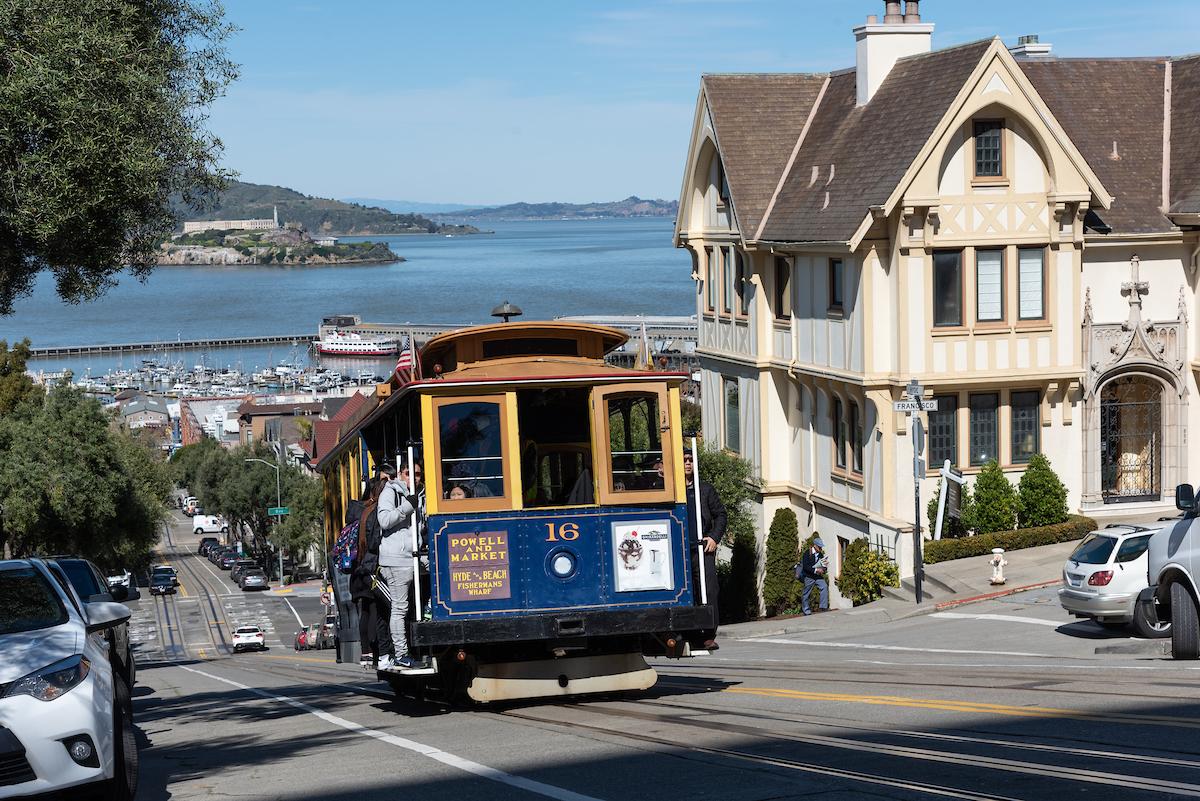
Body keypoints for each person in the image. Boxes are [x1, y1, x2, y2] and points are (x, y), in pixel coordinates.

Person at [376, 460, 424, 670]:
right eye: (408, 473)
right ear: (400, 474)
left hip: (415, 556)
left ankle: (417, 647)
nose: (413, 477)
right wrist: (407, 507)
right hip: (396, 559)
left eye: (418, 474)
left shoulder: (422, 494)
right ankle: (401, 654)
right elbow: (384, 521)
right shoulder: (390, 491)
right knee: (400, 608)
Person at [683, 447, 726, 650]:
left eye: (691, 460)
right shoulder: (674, 490)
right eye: (684, 460)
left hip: (703, 550)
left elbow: (721, 515)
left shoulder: (705, 489)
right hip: (680, 551)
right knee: (688, 593)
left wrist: (714, 538)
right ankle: (690, 635)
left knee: (709, 590)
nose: (688, 463)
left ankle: (708, 635)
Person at [351, 477, 388, 668]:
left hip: (360, 569)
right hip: (373, 567)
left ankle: (366, 652)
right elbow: (375, 543)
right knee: (377, 609)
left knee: (366, 610)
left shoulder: (362, 510)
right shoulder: (376, 512)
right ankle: (377, 652)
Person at [799, 537, 830, 615]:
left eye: (821, 547)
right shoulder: (807, 553)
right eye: (819, 547)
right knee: (806, 593)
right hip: (809, 576)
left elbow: (823, 564)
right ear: (815, 546)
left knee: (824, 586)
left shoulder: (820, 554)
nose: (820, 548)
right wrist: (816, 570)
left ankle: (823, 607)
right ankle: (806, 610)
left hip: (817, 576)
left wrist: (824, 568)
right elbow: (805, 567)